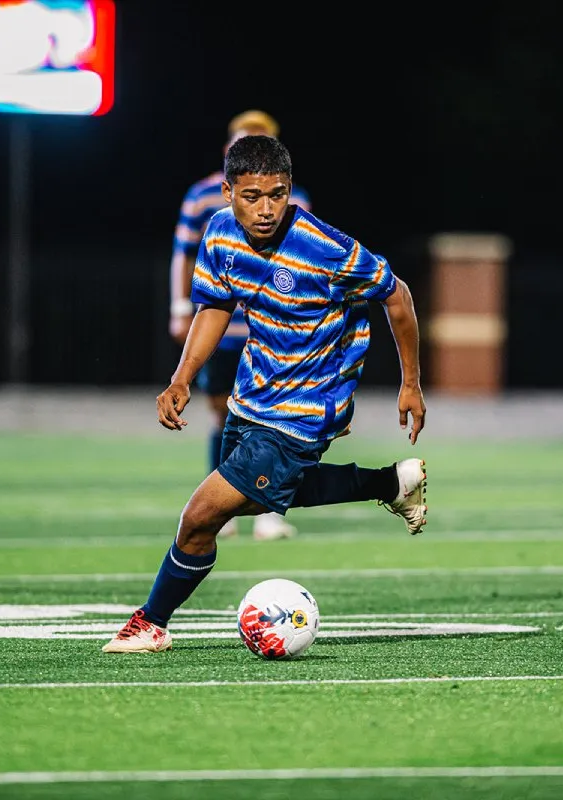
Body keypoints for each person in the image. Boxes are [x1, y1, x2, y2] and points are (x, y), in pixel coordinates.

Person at [105, 134, 427, 653]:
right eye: (252, 196)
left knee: (201, 514)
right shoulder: (219, 232)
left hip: (309, 404)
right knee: (258, 495)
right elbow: (215, 306)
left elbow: (398, 296)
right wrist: (182, 377)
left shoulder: (325, 249)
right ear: (228, 192)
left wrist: (410, 382)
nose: (266, 209)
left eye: (277, 195)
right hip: (253, 392)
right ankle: (390, 483)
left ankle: (150, 622)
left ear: (290, 189)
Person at [168, 110, 312, 542]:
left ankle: (268, 510)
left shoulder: (293, 199)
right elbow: (183, 253)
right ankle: (223, 506)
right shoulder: (203, 197)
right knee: (224, 414)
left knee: (274, 420)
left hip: (274, 332)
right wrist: (180, 306)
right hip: (224, 329)